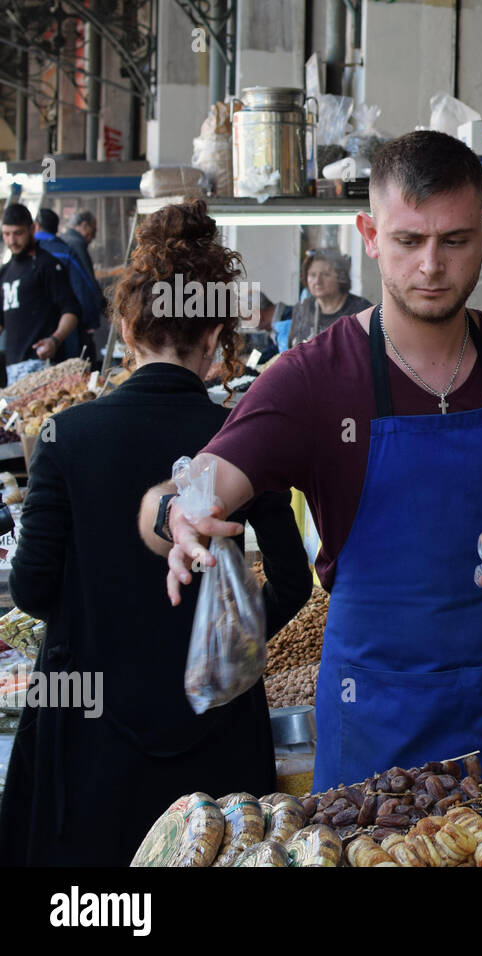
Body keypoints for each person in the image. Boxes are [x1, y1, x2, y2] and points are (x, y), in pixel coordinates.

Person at [139, 130, 482, 789]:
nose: (431, 266)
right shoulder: (313, 380)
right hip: (377, 724)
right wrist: (175, 515)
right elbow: (177, 494)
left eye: (455, 240)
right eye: (408, 241)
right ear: (368, 233)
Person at [0, 199, 313, 866]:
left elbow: (29, 588)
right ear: (215, 336)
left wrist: (98, 613)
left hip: (91, 739)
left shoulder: (65, 438)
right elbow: (292, 580)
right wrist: (230, 641)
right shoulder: (243, 439)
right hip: (220, 737)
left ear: (128, 328)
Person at [0, 204, 79, 384]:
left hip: (43, 366)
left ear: (32, 228)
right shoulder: (4, 272)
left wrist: (55, 340)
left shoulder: (48, 265)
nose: (12, 240)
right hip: (13, 368)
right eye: (6, 234)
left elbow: (71, 310)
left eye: (18, 233)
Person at [35, 208, 101, 357]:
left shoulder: (23, 256)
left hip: (30, 336)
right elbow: (83, 287)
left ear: (36, 226)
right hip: (64, 330)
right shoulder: (64, 251)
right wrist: (91, 322)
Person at [286, 248, 371, 348]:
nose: (317, 281)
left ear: (341, 277)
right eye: (312, 275)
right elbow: (293, 350)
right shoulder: (302, 309)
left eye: (326, 275)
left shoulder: (362, 311)